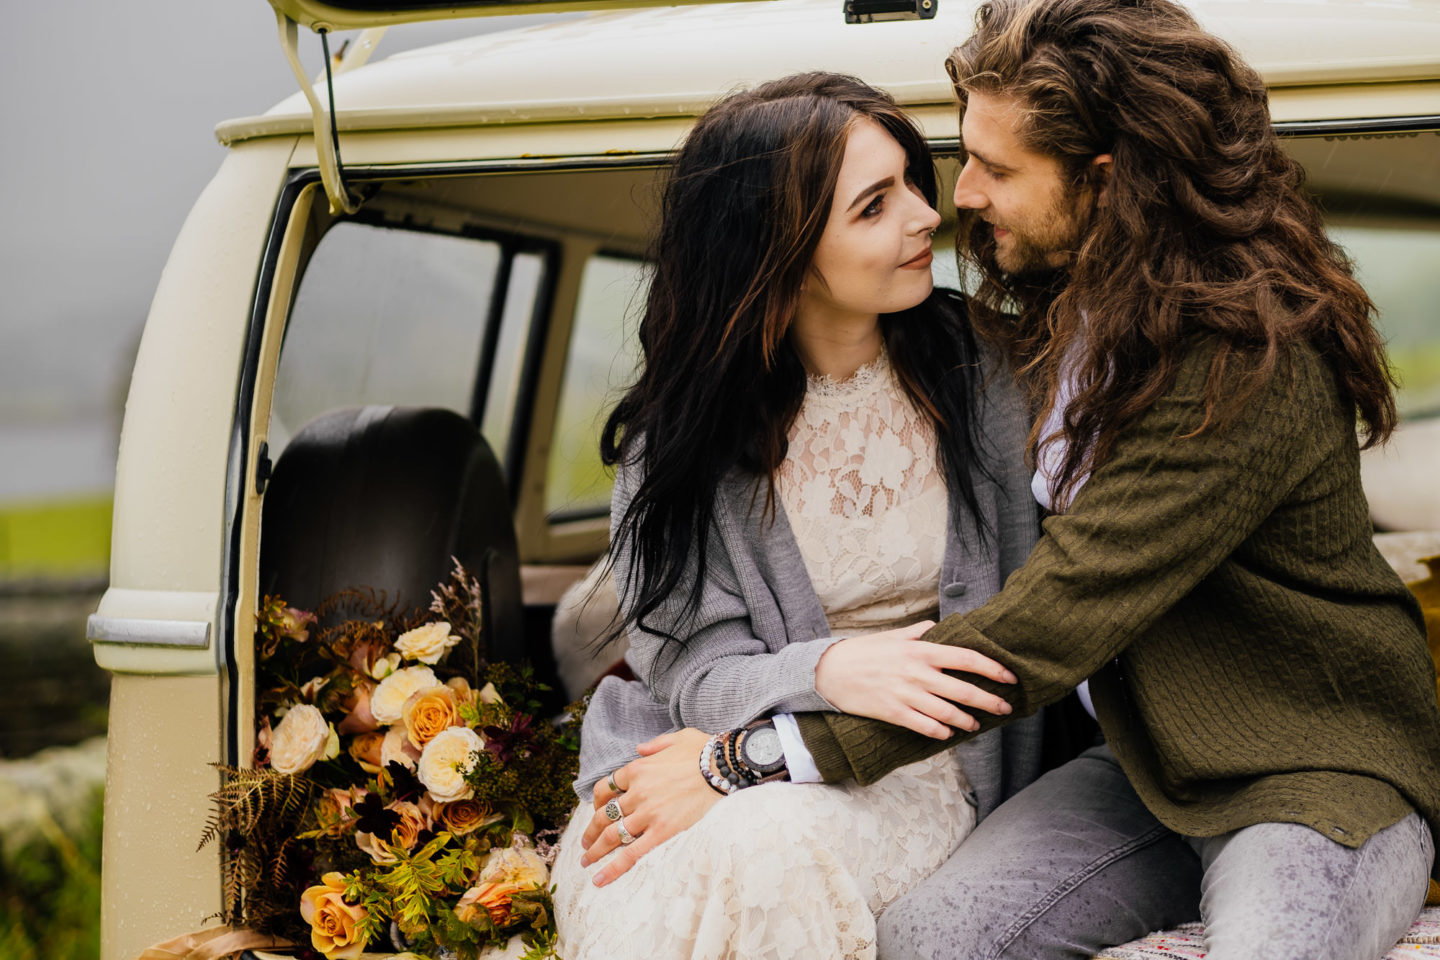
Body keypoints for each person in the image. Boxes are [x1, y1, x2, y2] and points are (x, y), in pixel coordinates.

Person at [578, 2, 1440, 958]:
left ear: (1105, 185)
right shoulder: (1061, 323)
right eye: (949, 164)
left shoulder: (1243, 357)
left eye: (991, 168)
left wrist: (751, 759)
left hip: (1301, 766)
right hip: (1132, 763)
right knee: (931, 941)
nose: (957, 199)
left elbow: (1048, 622)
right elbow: (692, 643)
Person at [550, 72, 1054, 958]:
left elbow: (1052, 610)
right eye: (873, 206)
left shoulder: (995, 376)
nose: (926, 216)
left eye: (909, 182)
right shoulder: (678, 441)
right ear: (777, 254)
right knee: (692, 875)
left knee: (769, 848)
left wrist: (806, 731)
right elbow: (693, 677)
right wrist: (831, 669)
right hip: (679, 761)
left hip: (914, 765)